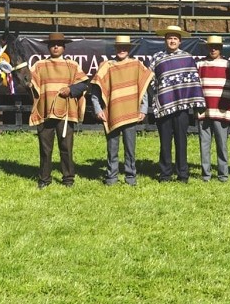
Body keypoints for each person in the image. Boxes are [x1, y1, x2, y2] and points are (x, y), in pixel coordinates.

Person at [90, 36, 154, 186]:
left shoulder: (136, 65)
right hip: (111, 112)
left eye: (125, 47)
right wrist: (98, 109)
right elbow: (96, 91)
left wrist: (143, 109)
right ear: (115, 48)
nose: (122, 50)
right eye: (119, 47)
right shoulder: (106, 66)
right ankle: (111, 177)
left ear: (129, 49)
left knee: (130, 148)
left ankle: (130, 177)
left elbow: (143, 89)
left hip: (131, 112)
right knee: (112, 147)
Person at [28, 32, 89, 189]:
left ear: (63, 47)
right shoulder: (39, 65)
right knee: (45, 148)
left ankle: (68, 179)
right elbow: (29, 82)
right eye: (53, 44)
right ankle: (44, 179)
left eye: (59, 44)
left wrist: (71, 89)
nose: (56, 46)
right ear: (48, 47)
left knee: (66, 147)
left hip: (66, 113)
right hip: (45, 112)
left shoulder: (72, 65)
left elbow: (83, 84)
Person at [150, 25, 206, 183]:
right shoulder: (157, 58)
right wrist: (156, 96)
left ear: (180, 41)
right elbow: (150, 81)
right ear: (165, 40)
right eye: (169, 38)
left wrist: (196, 105)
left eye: (175, 38)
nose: (172, 41)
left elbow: (194, 82)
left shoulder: (187, 58)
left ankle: (183, 174)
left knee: (182, 141)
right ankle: (165, 174)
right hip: (164, 107)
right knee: (165, 143)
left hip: (182, 108)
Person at [196, 35, 230, 182]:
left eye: (216, 47)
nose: (213, 49)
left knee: (222, 145)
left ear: (221, 48)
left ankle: (223, 175)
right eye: (211, 46)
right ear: (207, 47)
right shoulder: (199, 65)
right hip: (204, 110)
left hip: (221, 110)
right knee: (204, 144)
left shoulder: (229, 65)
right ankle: (206, 175)